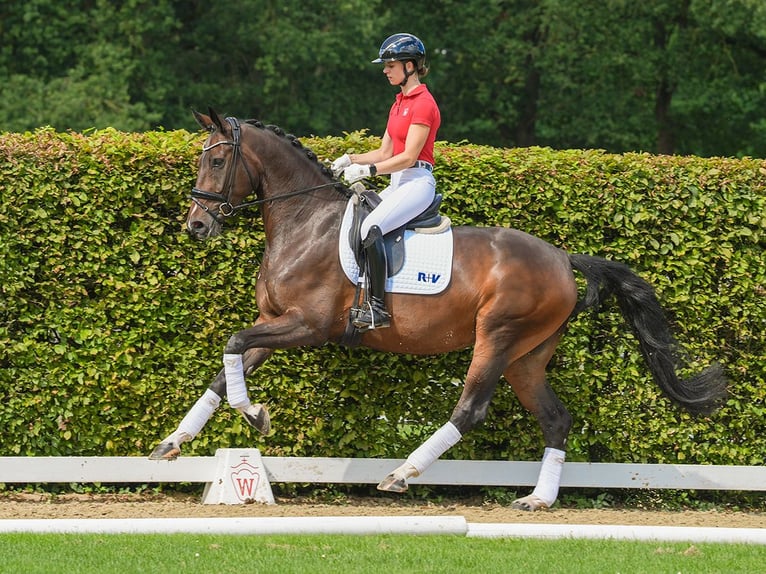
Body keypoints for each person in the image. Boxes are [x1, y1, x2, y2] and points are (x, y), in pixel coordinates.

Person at [331, 33, 441, 332]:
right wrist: (351, 159)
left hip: (417, 181)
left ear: (409, 66)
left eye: (390, 65)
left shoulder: (423, 104)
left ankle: (377, 309)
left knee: (371, 228)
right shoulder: (399, 104)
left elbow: (408, 157)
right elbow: (384, 151)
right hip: (398, 181)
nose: (385, 70)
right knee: (357, 218)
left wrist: (369, 172)